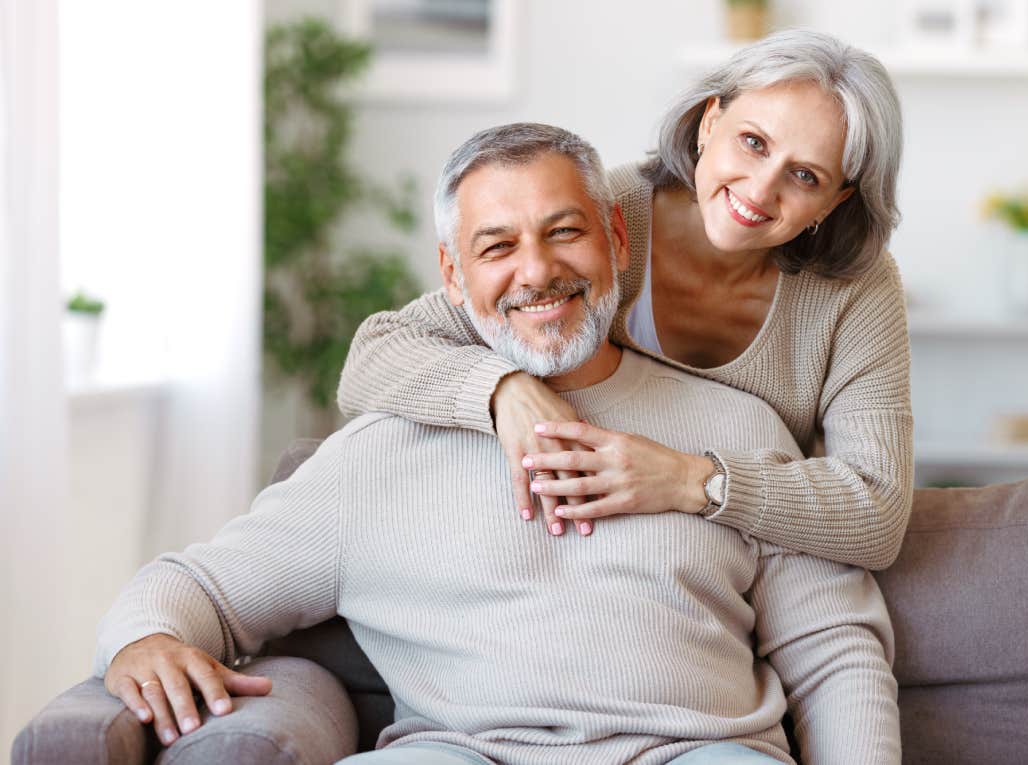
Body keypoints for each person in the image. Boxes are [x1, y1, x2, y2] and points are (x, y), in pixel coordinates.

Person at [95, 124, 900, 765]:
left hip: (700, 751)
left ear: (618, 239)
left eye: (564, 232)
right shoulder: (376, 455)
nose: (538, 270)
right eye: (497, 246)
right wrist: (146, 636)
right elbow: (199, 583)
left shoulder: (737, 433)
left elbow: (833, 649)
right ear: (451, 274)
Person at [337, 30, 913, 569]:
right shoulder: (601, 217)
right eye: (753, 142)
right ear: (710, 121)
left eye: (806, 176)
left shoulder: (858, 290)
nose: (760, 190)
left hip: (754, 559)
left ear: (836, 201)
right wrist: (501, 391)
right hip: (600, 546)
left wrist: (689, 480)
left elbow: (880, 515)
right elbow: (377, 353)